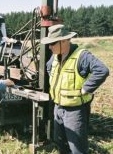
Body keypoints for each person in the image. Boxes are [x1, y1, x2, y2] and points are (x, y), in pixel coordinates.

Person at [41, 24, 109, 154]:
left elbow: (102, 70)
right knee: (60, 143)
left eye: (52, 43)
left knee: (77, 148)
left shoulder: (82, 56)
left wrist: (86, 89)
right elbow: (49, 67)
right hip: (58, 107)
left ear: (64, 40)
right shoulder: (55, 56)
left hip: (75, 111)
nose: (49, 47)